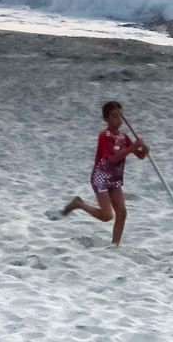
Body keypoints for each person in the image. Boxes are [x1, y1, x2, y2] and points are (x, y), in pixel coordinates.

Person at [62, 100, 149, 245]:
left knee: (122, 213)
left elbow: (139, 155)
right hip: (100, 177)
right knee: (107, 216)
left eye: (120, 115)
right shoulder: (105, 136)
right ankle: (79, 204)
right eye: (115, 116)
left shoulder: (123, 137)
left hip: (115, 178)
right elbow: (112, 158)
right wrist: (133, 146)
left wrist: (144, 151)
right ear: (106, 119)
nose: (119, 119)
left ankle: (115, 246)